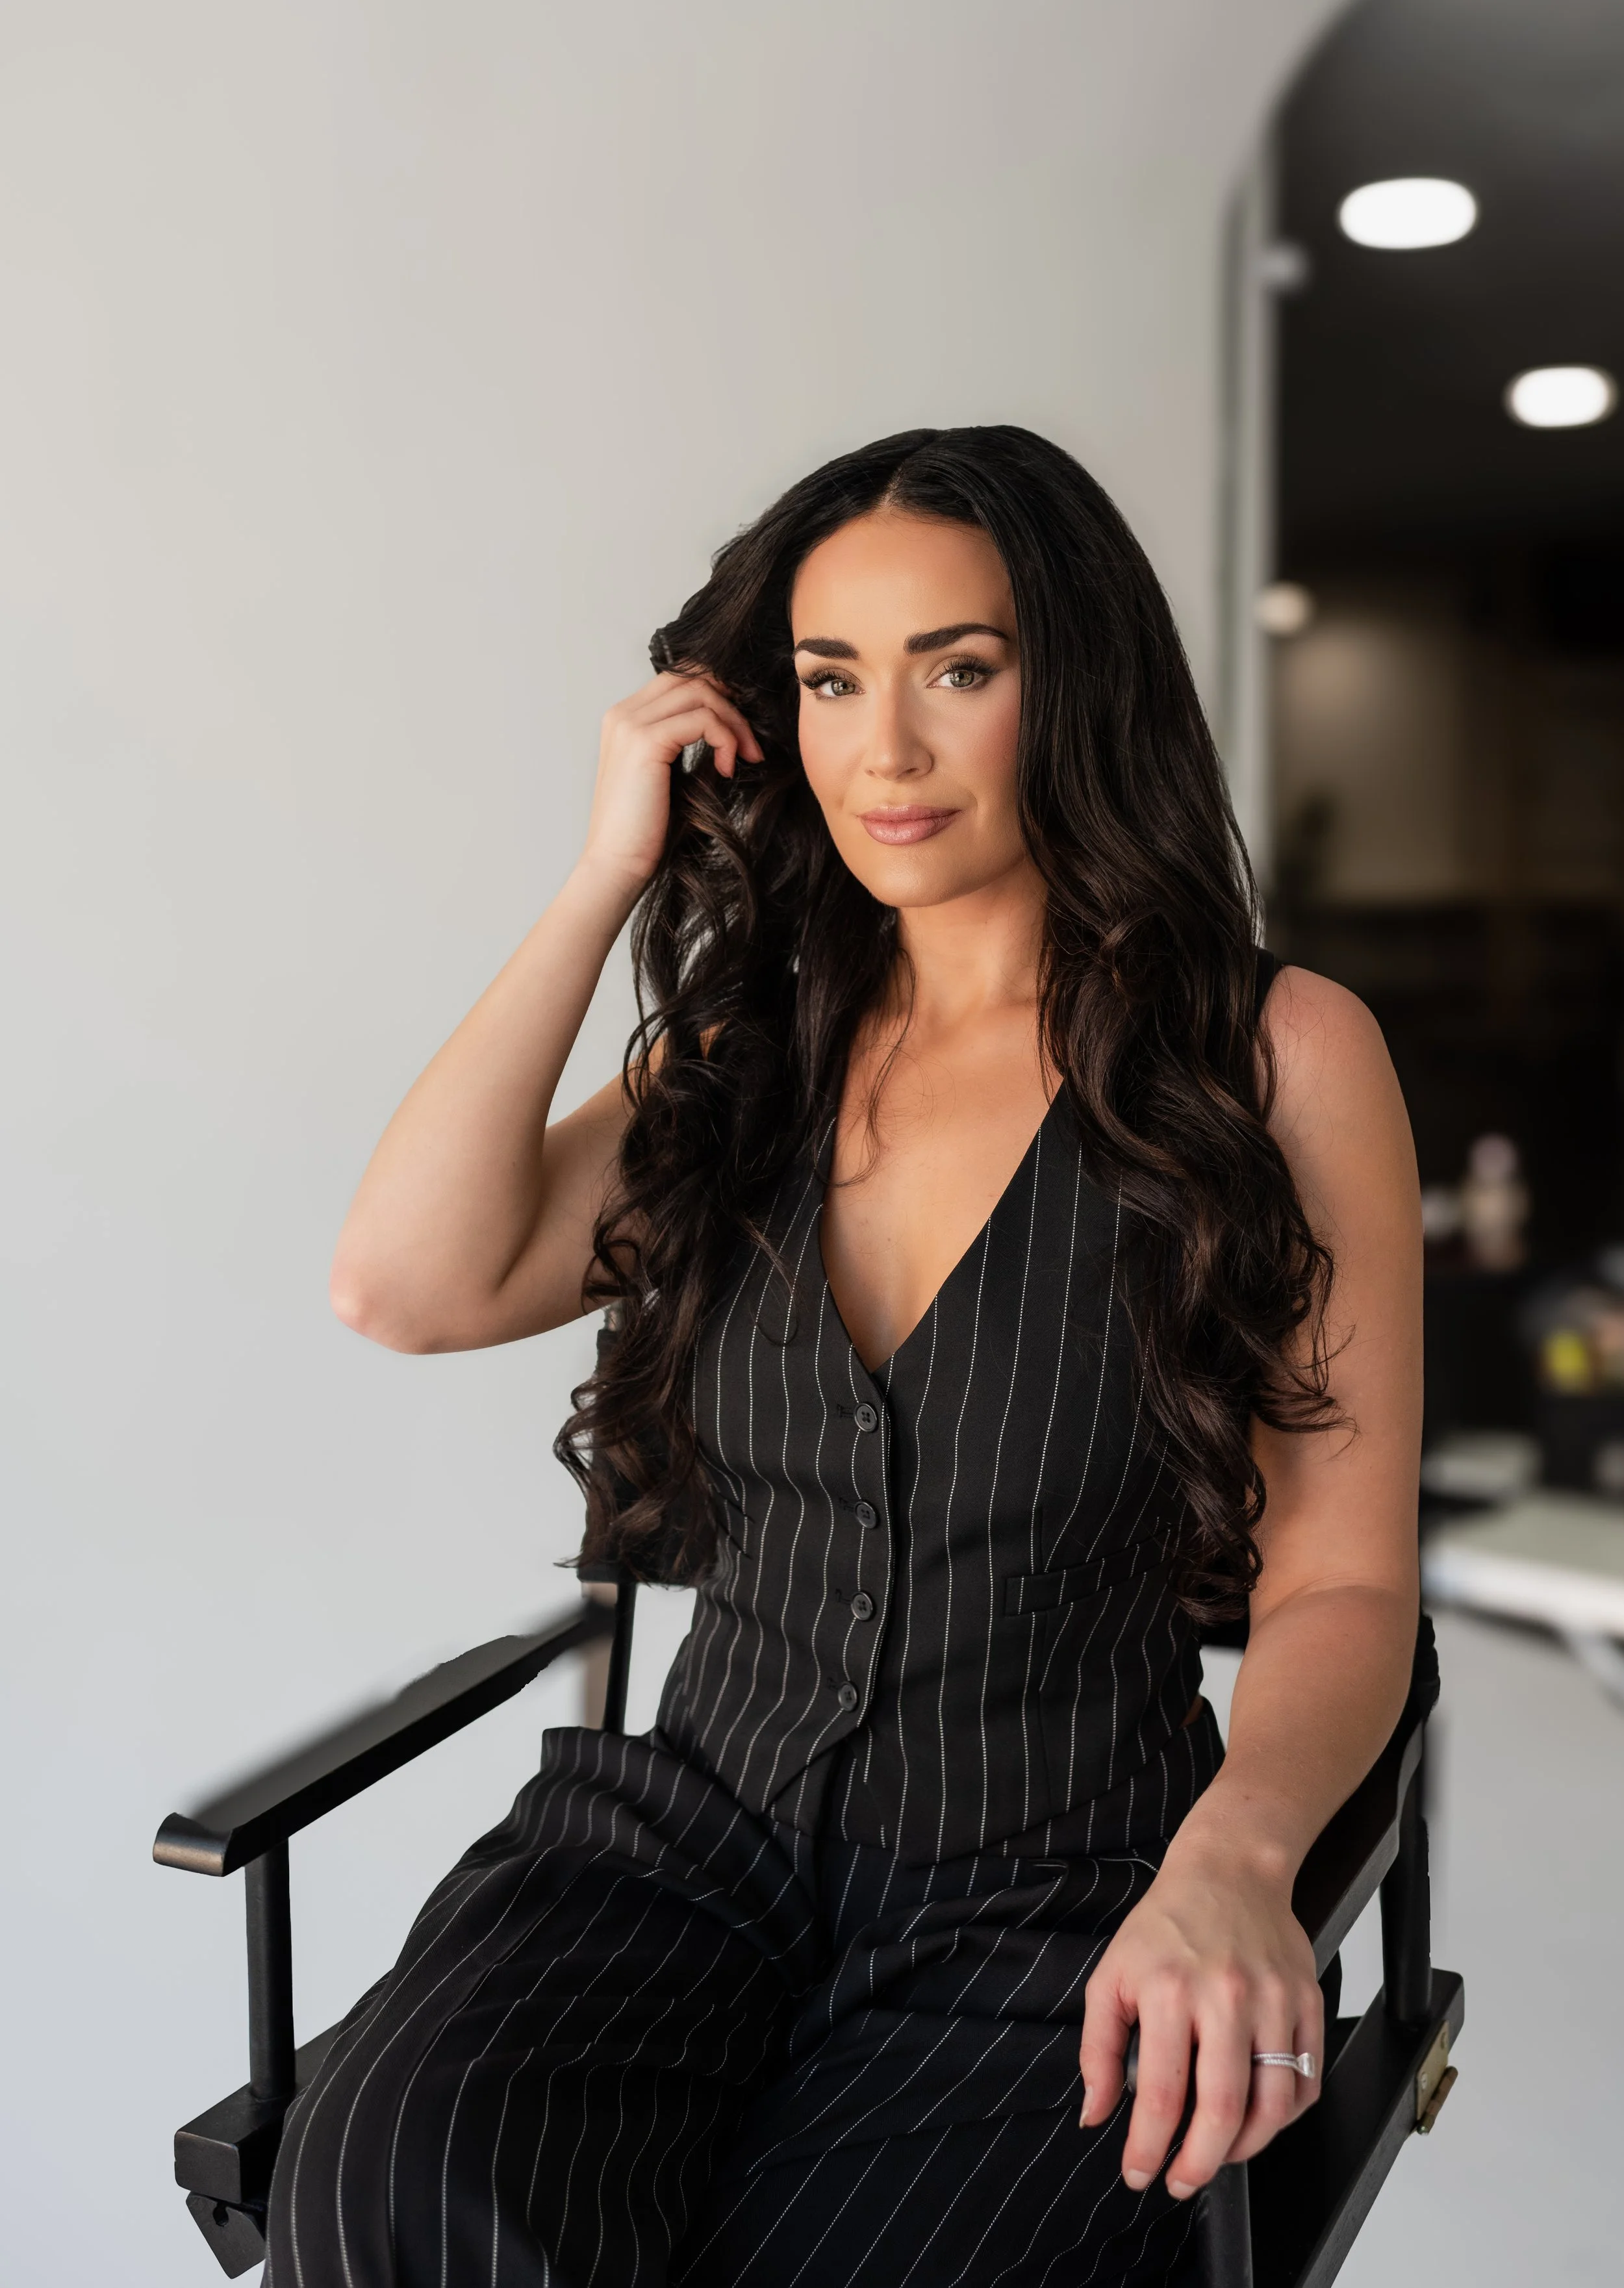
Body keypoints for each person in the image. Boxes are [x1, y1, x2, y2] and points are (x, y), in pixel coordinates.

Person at [264, 426, 1422, 2288]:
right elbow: (407, 1284)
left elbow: (1348, 1578)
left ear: (1076, 690)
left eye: (958, 670)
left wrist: (1234, 1858)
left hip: (1047, 1902)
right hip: (670, 1861)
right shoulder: (752, 1055)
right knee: (389, 2194)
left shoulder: (1273, 1058)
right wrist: (597, 885)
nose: (883, 750)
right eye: (827, 681)